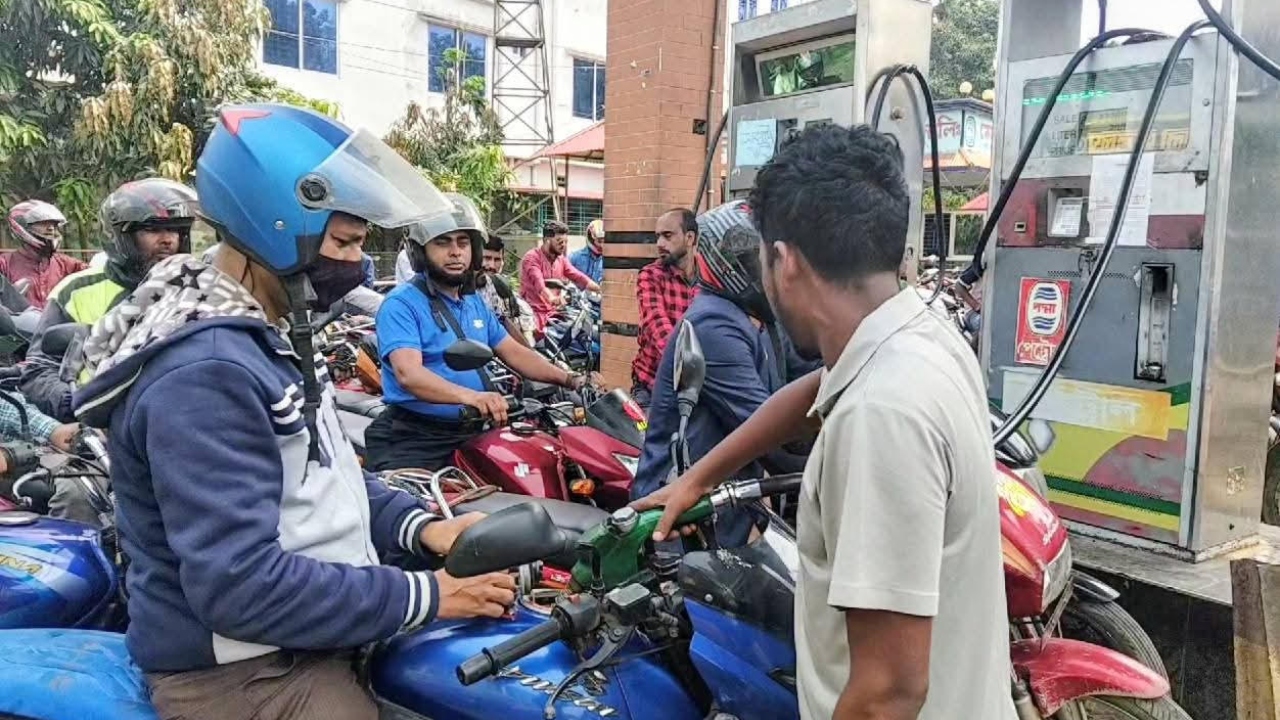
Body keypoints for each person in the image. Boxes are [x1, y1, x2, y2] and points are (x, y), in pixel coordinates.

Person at [70, 105, 516, 720]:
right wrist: (430, 593)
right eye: (344, 242)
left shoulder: (264, 333)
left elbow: (322, 470)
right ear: (273, 226)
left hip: (308, 630)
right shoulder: (207, 371)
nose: (357, 264)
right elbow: (240, 585)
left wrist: (421, 528)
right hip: (243, 668)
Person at [635, 125, 1015, 720]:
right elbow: (814, 387)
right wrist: (699, 478)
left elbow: (887, 694)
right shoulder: (917, 331)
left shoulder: (881, 416)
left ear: (783, 261)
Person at [365, 194, 593, 472]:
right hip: (417, 438)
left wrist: (572, 379)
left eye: (463, 243)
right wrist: (472, 397)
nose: (455, 252)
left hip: (474, 430)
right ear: (419, 251)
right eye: (442, 242)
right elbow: (408, 374)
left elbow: (516, 352)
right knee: (419, 511)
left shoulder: (474, 302)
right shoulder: (401, 304)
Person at [631, 201, 806, 547]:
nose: (768, 274)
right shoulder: (714, 324)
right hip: (684, 525)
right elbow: (777, 440)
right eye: (756, 263)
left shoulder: (760, 320)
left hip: (726, 508)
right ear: (731, 266)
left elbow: (808, 368)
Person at [22, 178, 197, 422]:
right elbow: (38, 370)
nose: (168, 240)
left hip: (183, 422)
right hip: (100, 438)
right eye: (152, 229)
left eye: (175, 230)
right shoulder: (76, 291)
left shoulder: (196, 288)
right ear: (120, 237)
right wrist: (78, 405)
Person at [630, 208, 698, 408]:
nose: (660, 244)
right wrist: (689, 368)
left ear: (690, 238)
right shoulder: (651, 276)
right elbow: (657, 326)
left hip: (697, 389)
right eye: (658, 236)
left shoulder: (709, 277)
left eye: (667, 236)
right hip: (653, 386)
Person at [1, 200, 88, 308]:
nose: (51, 228)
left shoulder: (66, 264)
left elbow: (95, 274)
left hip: (57, 323)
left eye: (54, 225)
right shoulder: (4, 264)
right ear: (23, 226)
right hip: (18, 323)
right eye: (43, 223)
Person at [519, 220, 600, 332]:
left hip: (553, 315)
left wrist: (601, 290)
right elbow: (539, 283)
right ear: (547, 240)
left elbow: (579, 277)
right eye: (559, 241)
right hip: (532, 315)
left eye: (565, 241)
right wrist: (551, 298)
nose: (563, 245)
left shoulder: (561, 259)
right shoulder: (532, 258)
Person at [477, 234, 535, 346]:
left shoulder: (503, 290)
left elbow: (525, 333)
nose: (491, 266)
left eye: (497, 259)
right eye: (487, 258)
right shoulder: (465, 291)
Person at [569, 219, 604, 284]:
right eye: (599, 241)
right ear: (591, 239)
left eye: (604, 241)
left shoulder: (609, 260)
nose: (602, 245)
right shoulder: (575, 257)